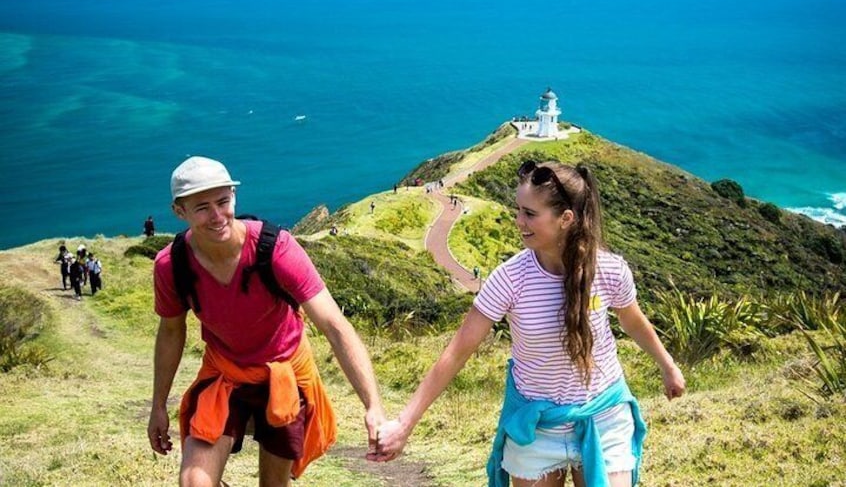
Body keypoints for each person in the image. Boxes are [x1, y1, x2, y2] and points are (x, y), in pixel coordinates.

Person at [376, 160, 686, 487]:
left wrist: (667, 366)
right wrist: (405, 424)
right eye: (518, 210)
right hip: (535, 427)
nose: (518, 221)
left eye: (529, 214)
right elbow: (456, 352)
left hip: (604, 417)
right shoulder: (509, 279)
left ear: (566, 219)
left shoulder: (609, 269)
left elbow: (631, 319)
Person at [147, 156, 386, 487]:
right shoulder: (171, 267)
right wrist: (158, 406)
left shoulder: (275, 249)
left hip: (284, 374)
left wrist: (373, 405)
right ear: (179, 212)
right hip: (225, 375)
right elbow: (171, 331)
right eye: (202, 207)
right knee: (193, 482)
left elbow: (333, 325)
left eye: (223, 201)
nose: (217, 216)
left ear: (234, 197)